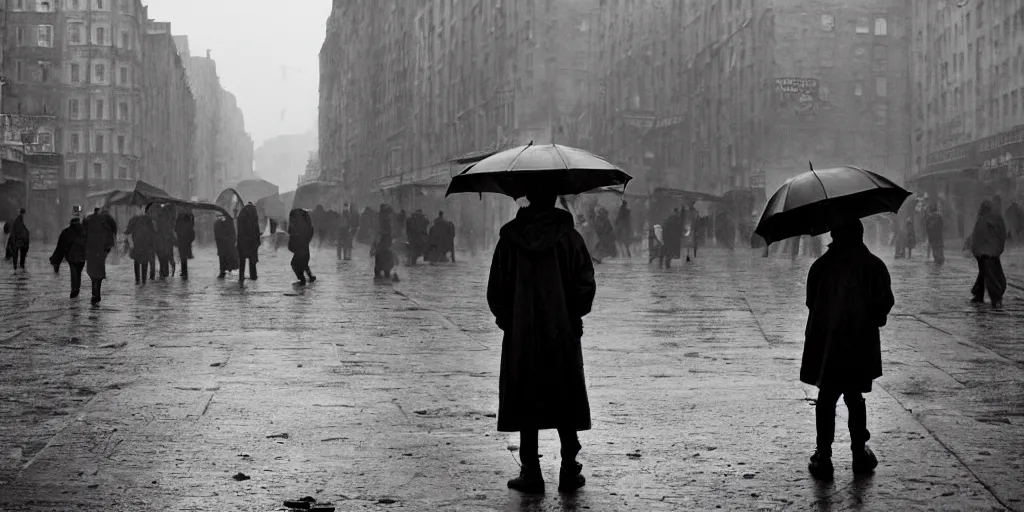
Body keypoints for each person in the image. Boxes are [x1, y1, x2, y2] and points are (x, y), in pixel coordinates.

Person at [487, 188, 595, 494]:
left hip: (522, 336)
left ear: (528, 199)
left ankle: (531, 472)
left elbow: (496, 290)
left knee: (526, 397)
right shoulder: (570, 239)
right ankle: (569, 469)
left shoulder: (510, 240)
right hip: (561, 333)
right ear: (555, 199)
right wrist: (573, 315)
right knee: (564, 396)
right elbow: (585, 284)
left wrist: (510, 321)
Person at [803, 218, 894, 480]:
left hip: (828, 343)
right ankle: (858, 453)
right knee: (854, 397)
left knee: (827, 397)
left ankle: (824, 455)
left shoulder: (821, 267)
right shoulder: (873, 266)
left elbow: (811, 302)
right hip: (859, 342)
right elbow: (883, 304)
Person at [970, 200, 1007, 308]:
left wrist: (978, 252)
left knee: (988, 276)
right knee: (987, 274)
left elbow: (978, 237)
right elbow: (1001, 234)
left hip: (984, 254)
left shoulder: (982, 219)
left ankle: (993, 297)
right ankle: (979, 294)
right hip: (991, 253)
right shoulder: (995, 219)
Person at [83, 209, 116, 304]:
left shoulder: (89, 225)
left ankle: (95, 293)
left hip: (92, 253)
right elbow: (110, 240)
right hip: (100, 253)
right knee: (98, 273)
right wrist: (106, 250)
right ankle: (96, 293)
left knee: (93, 273)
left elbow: (83, 238)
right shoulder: (104, 226)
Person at [50, 214, 87, 298]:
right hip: (82, 256)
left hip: (72, 256)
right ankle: (76, 288)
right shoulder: (84, 231)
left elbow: (60, 246)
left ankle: (74, 289)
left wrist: (56, 260)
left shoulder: (67, 232)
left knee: (74, 272)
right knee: (78, 272)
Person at [126, 210, 156, 285]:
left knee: (137, 262)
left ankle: (137, 280)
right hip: (146, 245)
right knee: (144, 262)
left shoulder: (134, 220)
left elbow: (128, 231)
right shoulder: (149, 221)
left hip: (137, 244)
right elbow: (154, 232)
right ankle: (144, 281)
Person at [288, 208, 317, 285]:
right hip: (303, 248)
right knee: (303, 263)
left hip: (300, 248)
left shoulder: (297, 224)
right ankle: (309, 277)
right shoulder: (306, 223)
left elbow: (291, 233)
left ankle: (302, 279)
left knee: (295, 264)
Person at [236, 202, 261, 283]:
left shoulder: (241, 216)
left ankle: (241, 277)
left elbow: (239, 230)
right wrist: (258, 241)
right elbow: (256, 230)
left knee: (242, 261)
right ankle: (253, 276)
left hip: (242, 242)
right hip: (252, 242)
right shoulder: (253, 216)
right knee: (252, 260)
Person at [372, 204, 395, 278]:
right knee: (382, 269)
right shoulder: (384, 224)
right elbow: (379, 235)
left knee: (382, 269)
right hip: (383, 249)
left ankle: (381, 281)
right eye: (390, 214)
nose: (391, 216)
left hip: (384, 249)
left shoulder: (385, 222)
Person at [175, 211, 195, 280]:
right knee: (184, 256)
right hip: (185, 241)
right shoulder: (189, 222)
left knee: (183, 256)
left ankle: (184, 272)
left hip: (182, 241)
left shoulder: (179, 220)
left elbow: (175, 228)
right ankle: (184, 272)